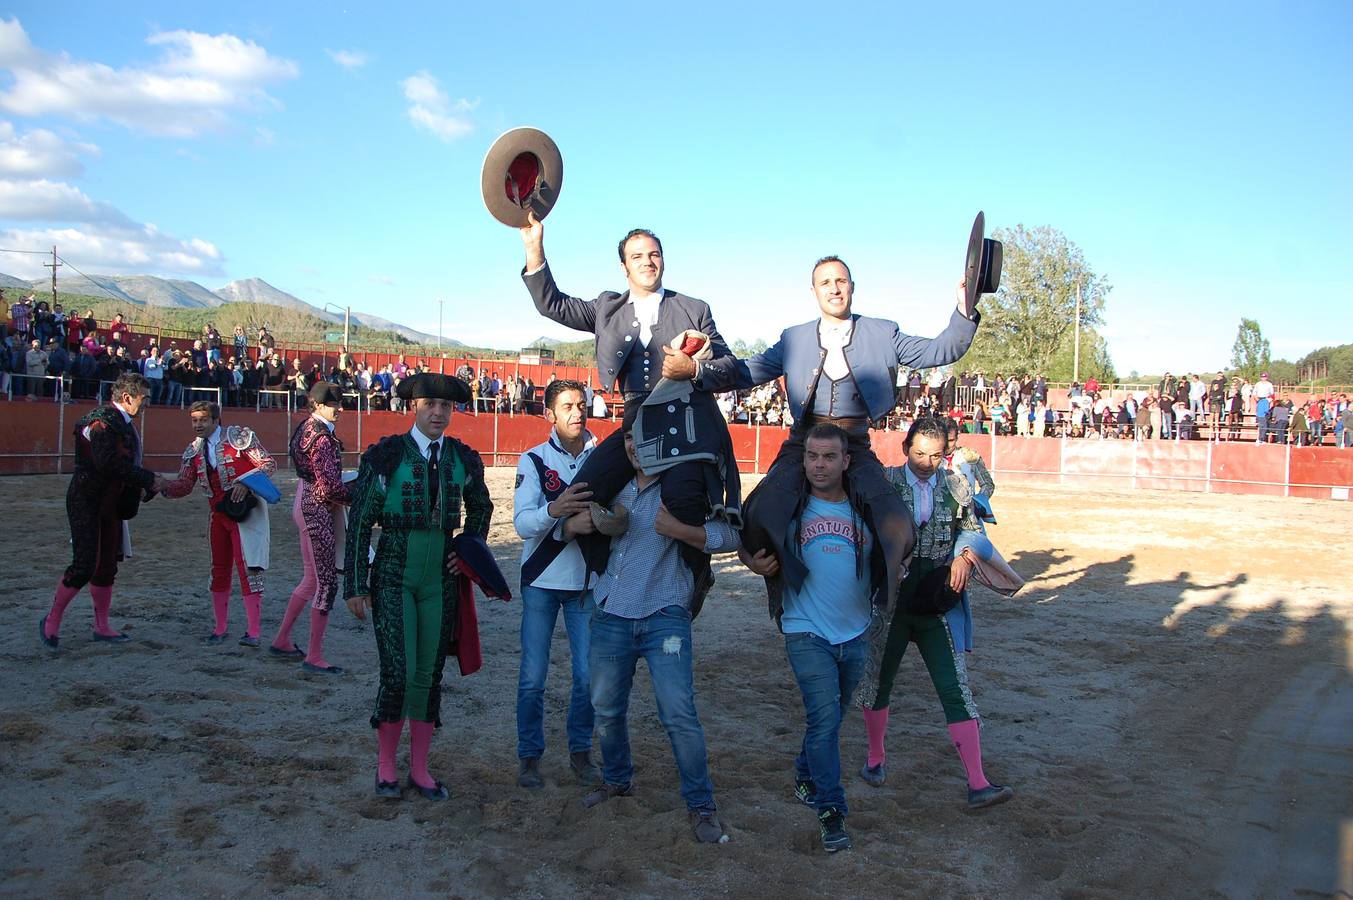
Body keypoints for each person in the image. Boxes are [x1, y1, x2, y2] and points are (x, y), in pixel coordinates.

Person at [729, 254, 979, 628]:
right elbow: (747, 371)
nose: (834, 288)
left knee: (894, 520)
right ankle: (781, 586)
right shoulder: (794, 337)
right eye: (825, 282)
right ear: (814, 291)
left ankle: (877, 594)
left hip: (854, 444)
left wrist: (964, 308)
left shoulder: (882, 333)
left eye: (840, 281)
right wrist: (699, 369)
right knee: (764, 509)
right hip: (804, 442)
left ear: (852, 287)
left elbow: (941, 349)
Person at [518, 212, 741, 609]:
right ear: (624, 266)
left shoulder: (694, 308)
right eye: (637, 256)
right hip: (636, 419)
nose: (647, 262)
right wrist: (534, 247)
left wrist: (693, 369)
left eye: (654, 254)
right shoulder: (607, 307)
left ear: (663, 260)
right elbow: (553, 304)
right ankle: (606, 578)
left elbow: (730, 368)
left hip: (684, 420)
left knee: (684, 501)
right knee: (584, 492)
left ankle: (696, 576)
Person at [577, 411, 739, 844]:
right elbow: (568, 525)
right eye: (629, 437)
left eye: (643, 436)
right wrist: (579, 523)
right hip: (612, 611)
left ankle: (701, 804)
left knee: (678, 713)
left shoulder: (685, 490)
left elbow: (732, 536)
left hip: (665, 614)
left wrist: (681, 530)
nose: (635, 445)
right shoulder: (613, 486)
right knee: (605, 708)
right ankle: (616, 779)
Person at [344, 373, 498, 801]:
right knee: (398, 673)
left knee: (429, 674)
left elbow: (481, 508)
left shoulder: (462, 458)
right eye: (430, 404)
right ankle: (386, 767)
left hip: (440, 579)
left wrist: (466, 551)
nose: (438, 413)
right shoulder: (387, 455)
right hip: (393, 573)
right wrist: (355, 583)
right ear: (414, 406)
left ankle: (420, 769)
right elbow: (360, 521)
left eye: (446, 406)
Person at [738, 423, 884, 853]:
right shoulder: (789, 509)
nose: (820, 465)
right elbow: (742, 534)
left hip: (856, 632)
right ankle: (831, 811)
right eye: (812, 456)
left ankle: (804, 773)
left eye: (829, 457)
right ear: (802, 460)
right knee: (824, 720)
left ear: (846, 461)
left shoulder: (866, 510)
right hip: (805, 629)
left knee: (831, 719)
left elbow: (894, 549)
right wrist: (751, 562)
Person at [858, 418, 1012, 810]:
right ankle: (875, 758)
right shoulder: (885, 482)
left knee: (955, 686)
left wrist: (964, 555)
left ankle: (978, 782)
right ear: (905, 448)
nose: (927, 463)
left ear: (947, 452)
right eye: (920, 454)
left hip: (938, 601)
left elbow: (974, 529)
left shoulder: (957, 484)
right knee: (877, 681)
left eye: (936, 455)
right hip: (890, 601)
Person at [512, 379, 600, 789]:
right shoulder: (532, 460)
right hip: (541, 581)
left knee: (587, 675)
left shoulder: (603, 457)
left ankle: (581, 751)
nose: (576, 413)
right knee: (533, 676)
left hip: (587, 582)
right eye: (567, 406)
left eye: (581, 405)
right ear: (549, 414)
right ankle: (529, 756)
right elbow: (521, 524)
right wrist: (556, 511)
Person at [40, 373, 166, 650]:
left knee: (107, 565)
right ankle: (51, 620)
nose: (147, 404)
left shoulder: (118, 422)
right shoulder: (101, 423)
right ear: (127, 397)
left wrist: (143, 486)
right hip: (87, 500)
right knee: (85, 564)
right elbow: (109, 464)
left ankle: (102, 625)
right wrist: (149, 480)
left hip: (110, 502)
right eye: (144, 398)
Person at [160, 401, 277, 647]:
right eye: (194, 420)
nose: (198, 425)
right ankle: (220, 627)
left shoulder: (238, 438)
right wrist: (158, 485)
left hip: (245, 515)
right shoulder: (194, 449)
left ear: (216, 420)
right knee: (219, 570)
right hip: (218, 516)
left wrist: (245, 483)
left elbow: (268, 464)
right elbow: (184, 485)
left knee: (249, 570)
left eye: (203, 420)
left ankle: (254, 631)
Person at [268, 383, 354, 673]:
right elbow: (330, 487)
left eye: (339, 403)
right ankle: (314, 656)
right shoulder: (322, 437)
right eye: (333, 404)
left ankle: (282, 640)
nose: (338, 408)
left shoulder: (305, 427)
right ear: (317, 405)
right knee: (326, 582)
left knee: (311, 580)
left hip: (304, 502)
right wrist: (359, 497)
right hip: (317, 509)